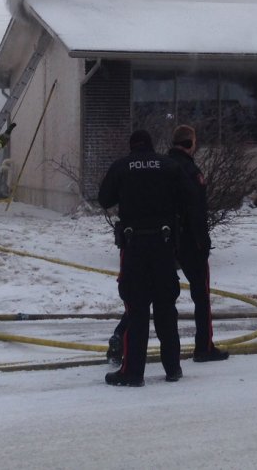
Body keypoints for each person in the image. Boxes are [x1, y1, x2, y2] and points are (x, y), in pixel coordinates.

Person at [106, 124, 230, 365]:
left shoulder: (163, 165)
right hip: (189, 242)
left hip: (164, 241)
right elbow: (196, 210)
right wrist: (202, 242)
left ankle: (120, 335)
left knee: (143, 295)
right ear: (191, 143)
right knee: (200, 295)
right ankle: (203, 347)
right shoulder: (189, 171)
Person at [98, 129, 198, 387]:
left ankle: (132, 372)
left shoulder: (122, 167)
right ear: (152, 146)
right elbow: (190, 197)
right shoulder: (169, 166)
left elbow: (104, 199)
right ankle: (173, 368)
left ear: (132, 147)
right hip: (164, 246)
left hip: (134, 247)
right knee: (166, 307)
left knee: (137, 308)